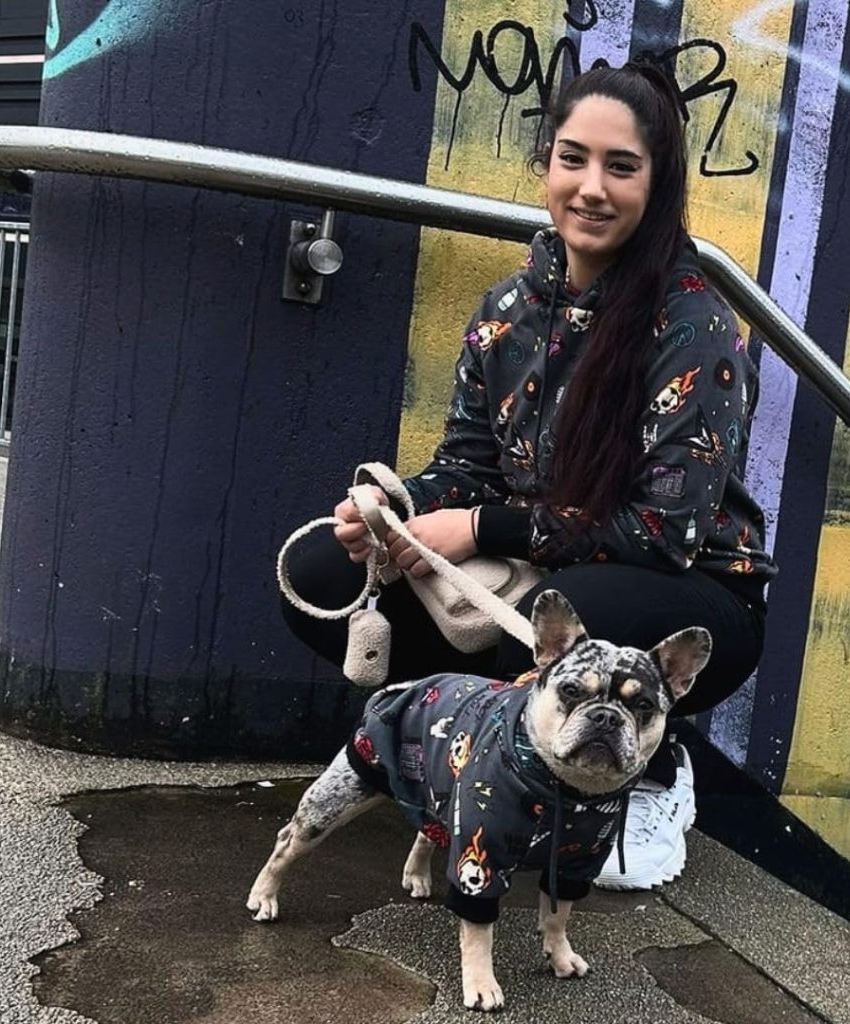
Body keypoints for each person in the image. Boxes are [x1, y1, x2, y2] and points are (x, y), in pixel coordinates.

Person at [282, 60, 777, 890]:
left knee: (589, 608)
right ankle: (481, 753)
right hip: (539, 573)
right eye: (572, 158)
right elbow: (468, 465)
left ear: (657, 185)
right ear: (546, 161)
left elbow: (662, 532)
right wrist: (399, 510)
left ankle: (652, 768)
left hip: (689, 593)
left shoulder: (696, 326)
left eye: (621, 167)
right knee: (324, 569)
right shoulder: (505, 312)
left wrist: (476, 529)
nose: (591, 187)